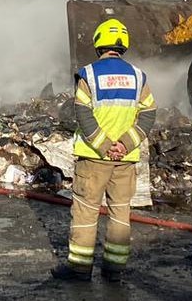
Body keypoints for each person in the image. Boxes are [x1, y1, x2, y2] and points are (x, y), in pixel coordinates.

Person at [53, 18, 156, 283]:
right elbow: (148, 114)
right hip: (125, 160)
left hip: (93, 159)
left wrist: (104, 146)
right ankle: (113, 271)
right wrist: (125, 144)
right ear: (123, 45)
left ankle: (79, 269)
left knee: (86, 213)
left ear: (99, 43)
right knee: (120, 213)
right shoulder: (137, 76)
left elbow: (82, 113)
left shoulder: (88, 74)